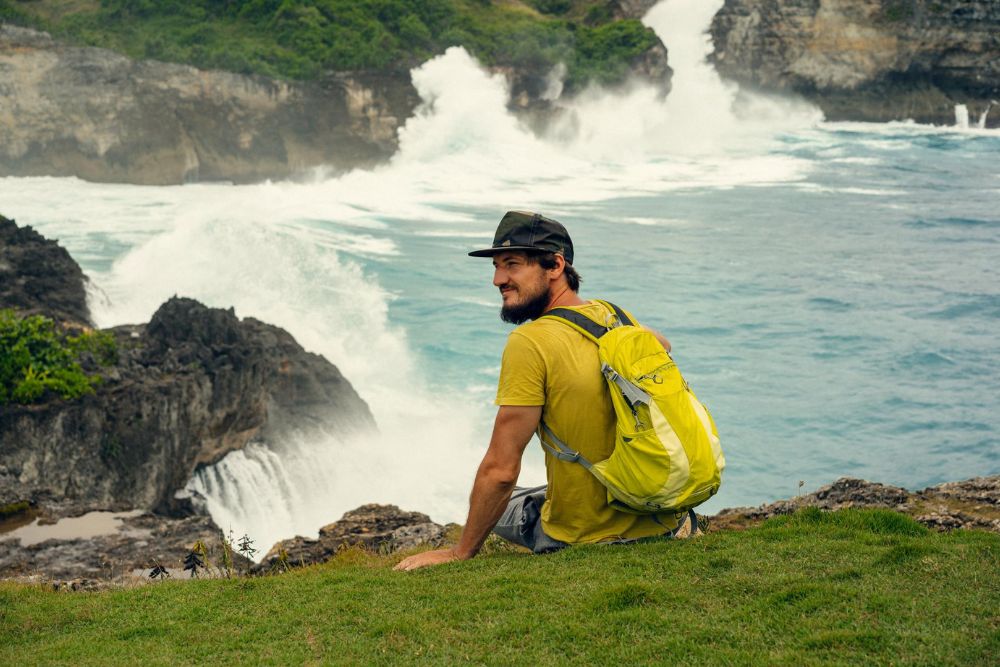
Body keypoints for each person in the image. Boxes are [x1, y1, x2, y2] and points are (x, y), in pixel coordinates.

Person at [395, 211, 684, 572]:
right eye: (497, 267)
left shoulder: (530, 342)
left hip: (585, 536)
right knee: (528, 493)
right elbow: (665, 346)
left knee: (499, 502)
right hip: (661, 513)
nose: (498, 279)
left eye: (512, 265)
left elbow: (501, 469)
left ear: (555, 265)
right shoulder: (615, 315)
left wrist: (460, 552)